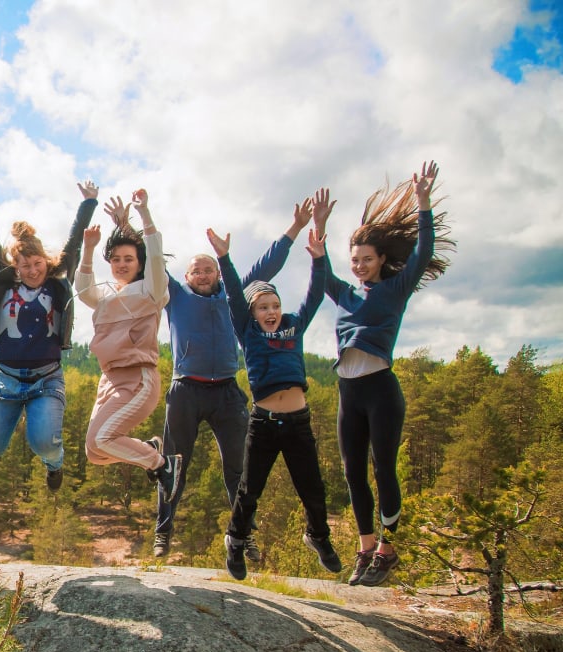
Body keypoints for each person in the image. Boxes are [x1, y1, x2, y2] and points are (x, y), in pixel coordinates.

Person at [153, 199, 316, 563]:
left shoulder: (235, 297)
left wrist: (294, 229)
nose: (205, 273)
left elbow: (267, 265)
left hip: (227, 391)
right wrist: (131, 220)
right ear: (188, 276)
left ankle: (244, 536)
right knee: (174, 464)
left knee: (239, 469)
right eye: (197, 269)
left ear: (217, 273)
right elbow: (152, 260)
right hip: (186, 390)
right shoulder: (175, 296)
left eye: (209, 268)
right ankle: (163, 531)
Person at [313, 162, 452, 587]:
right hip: (348, 392)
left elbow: (423, 253)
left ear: (382, 260)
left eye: (366, 260)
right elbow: (321, 276)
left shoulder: (395, 288)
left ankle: (389, 550)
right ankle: (366, 547)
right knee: (352, 472)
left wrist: (424, 204)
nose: (358, 266)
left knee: (382, 468)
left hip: (380, 390)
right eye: (354, 260)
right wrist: (319, 230)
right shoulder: (345, 291)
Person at [209, 226, 342, 581]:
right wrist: (224, 258)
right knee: (250, 489)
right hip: (264, 423)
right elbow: (235, 295)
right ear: (252, 313)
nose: (271, 311)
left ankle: (318, 536)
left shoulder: (295, 326)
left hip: (298, 422)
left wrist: (319, 258)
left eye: (275, 305)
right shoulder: (248, 331)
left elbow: (315, 295)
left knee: (312, 487)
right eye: (263, 307)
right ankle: (235, 541)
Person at [0, 176, 98, 491]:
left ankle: (55, 464)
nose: (33, 270)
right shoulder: (5, 284)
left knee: (45, 445)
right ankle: (13, 420)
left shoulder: (55, 282)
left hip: (46, 379)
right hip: (4, 380)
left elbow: (74, 244)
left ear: (46, 262)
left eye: (38, 263)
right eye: (25, 266)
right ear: (16, 267)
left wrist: (88, 203)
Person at [75, 189, 182, 501]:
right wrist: (89, 248)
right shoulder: (106, 296)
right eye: (117, 259)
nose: (122, 264)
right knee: (95, 451)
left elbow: (155, 257)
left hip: (138, 378)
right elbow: (83, 292)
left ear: (140, 263)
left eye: (129, 259)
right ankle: (149, 450)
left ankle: (161, 464)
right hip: (109, 380)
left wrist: (143, 214)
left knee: (105, 438)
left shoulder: (151, 291)